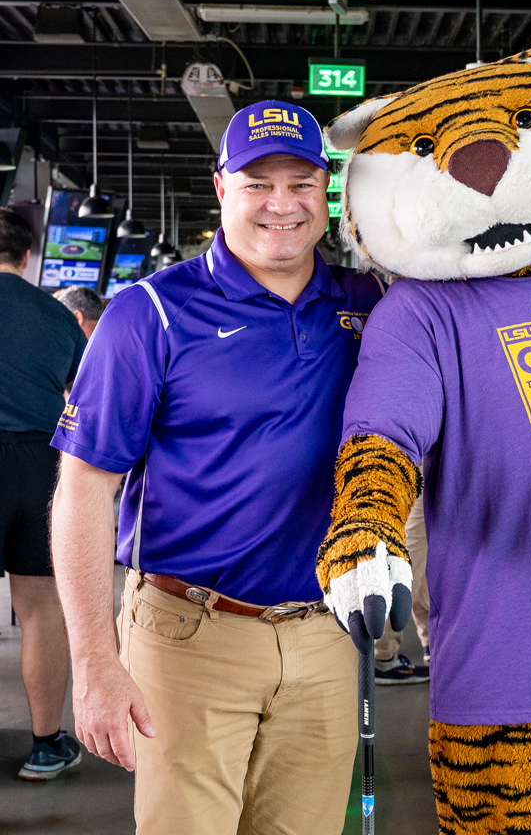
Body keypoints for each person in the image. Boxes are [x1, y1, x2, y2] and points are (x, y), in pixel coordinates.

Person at [49, 100, 385, 834]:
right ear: (221, 186)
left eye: (302, 182)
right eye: (258, 183)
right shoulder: (150, 314)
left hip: (328, 635)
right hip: (189, 637)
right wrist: (94, 661)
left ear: (327, 192)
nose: (282, 204)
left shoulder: (367, 304)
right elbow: (83, 489)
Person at [0, 207, 87, 781]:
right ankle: (45, 745)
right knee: (40, 610)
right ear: (28, 257)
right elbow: (84, 394)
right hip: (38, 462)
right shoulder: (56, 318)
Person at [373, 492, 431, 684]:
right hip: (420, 465)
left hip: (414, 466)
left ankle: (433, 642)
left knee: (419, 552)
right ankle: (382, 655)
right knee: (411, 554)